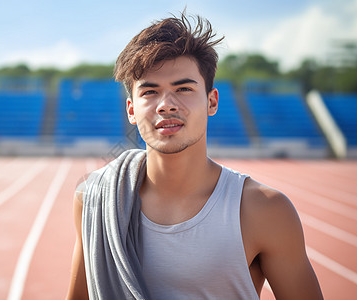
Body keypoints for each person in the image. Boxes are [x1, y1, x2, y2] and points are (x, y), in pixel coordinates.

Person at [67, 12, 323, 300]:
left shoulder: (264, 210)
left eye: (184, 89)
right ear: (131, 110)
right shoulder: (94, 199)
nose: (166, 105)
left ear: (211, 101)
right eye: (150, 92)